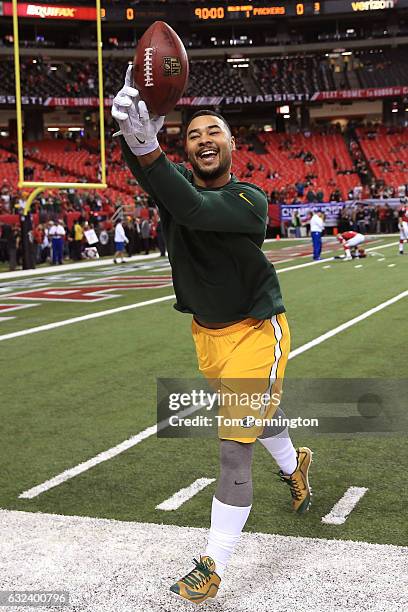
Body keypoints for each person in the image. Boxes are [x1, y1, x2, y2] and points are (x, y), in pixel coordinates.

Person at [112, 67, 313, 605]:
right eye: (193, 133)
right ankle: (297, 466)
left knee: (231, 451)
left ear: (232, 144)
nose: (203, 137)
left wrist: (147, 147)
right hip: (207, 335)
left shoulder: (249, 201)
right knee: (254, 419)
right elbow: (160, 182)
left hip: (256, 330)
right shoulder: (173, 184)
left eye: (214, 131)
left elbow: (192, 207)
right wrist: (132, 134)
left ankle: (212, 566)